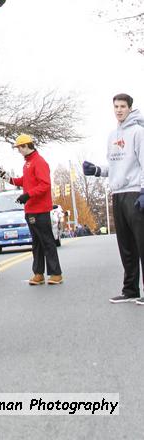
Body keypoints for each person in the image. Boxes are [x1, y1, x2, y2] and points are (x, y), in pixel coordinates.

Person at [83, 92, 144, 304]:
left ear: (130, 108)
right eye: (116, 106)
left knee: (142, 243)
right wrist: (97, 170)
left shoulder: (138, 132)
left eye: (123, 106)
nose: (119, 110)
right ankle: (130, 290)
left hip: (136, 192)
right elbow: (115, 167)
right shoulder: (112, 136)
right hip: (117, 194)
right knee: (125, 245)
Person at [0, 134, 63, 286]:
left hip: (40, 209)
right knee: (37, 243)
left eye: (19, 148)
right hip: (31, 209)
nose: (18, 151)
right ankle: (39, 274)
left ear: (25, 146)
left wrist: (28, 195)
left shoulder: (39, 162)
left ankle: (56, 274)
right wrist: (8, 179)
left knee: (47, 242)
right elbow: (25, 181)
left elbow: (45, 184)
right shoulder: (28, 163)